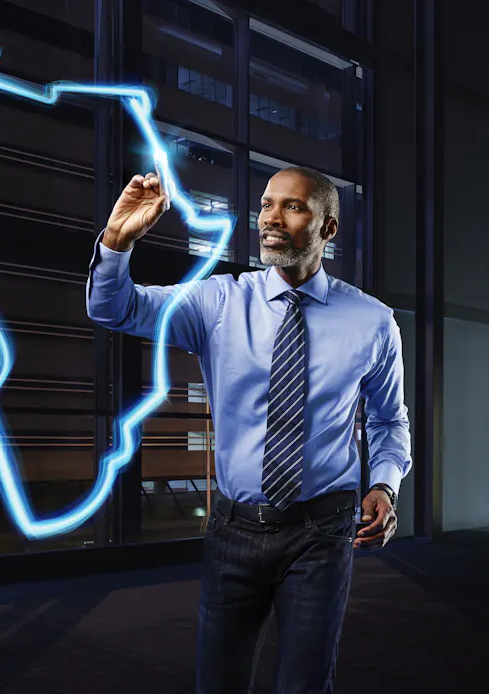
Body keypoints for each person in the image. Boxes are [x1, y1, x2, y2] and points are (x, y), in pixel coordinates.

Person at [85, 167, 412, 694]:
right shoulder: (218, 303)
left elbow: (388, 419)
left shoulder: (372, 321)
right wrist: (118, 243)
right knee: (218, 683)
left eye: (292, 207)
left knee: (305, 684)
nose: (271, 220)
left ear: (328, 229)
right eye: (266, 205)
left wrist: (384, 485)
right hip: (233, 531)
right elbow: (115, 309)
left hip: (322, 531)